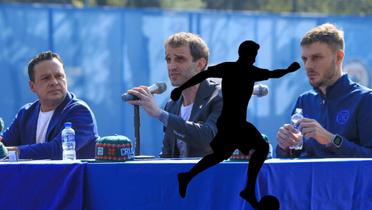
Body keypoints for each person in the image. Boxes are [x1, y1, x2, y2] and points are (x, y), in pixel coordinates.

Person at [172, 40, 300, 209]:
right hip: (232, 124)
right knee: (259, 148)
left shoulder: (238, 69)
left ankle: (188, 176)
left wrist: (288, 70)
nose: (254, 58)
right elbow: (203, 75)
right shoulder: (239, 69)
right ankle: (247, 189)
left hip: (233, 123)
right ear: (247, 54)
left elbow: (272, 73)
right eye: (253, 54)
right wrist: (180, 89)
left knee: (221, 155)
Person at [276, 23, 372, 158]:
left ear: (339, 57)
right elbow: (290, 159)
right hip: (308, 180)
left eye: (316, 57)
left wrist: (331, 140)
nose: (308, 66)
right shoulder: (304, 101)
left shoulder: (366, 99)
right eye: (305, 59)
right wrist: (284, 146)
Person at [126, 32, 223, 158]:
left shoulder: (219, 96)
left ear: (200, 64)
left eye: (180, 59)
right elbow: (167, 156)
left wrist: (160, 114)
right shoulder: (172, 106)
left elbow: (209, 138)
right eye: (168, 59)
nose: (171, 66)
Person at [0, 51, 98, 160]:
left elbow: (56, 150)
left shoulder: (80, 111)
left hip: (71, 177)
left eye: (59, 76)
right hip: (32, 177)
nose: (54, 82)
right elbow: (4, 143)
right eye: (46, 78)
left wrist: (14, 152)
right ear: (32, 86)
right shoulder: (26, 113)